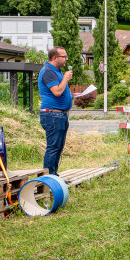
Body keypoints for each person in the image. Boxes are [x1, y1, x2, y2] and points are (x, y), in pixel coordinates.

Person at [38, 46, 73, 175]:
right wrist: (65, 79)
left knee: (58, 148)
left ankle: (54, 174)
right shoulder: (48, 71)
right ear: (55, 58)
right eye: (64, 57)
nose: (66, 59)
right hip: (52, 115)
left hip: (60, 115)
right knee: (53, 147)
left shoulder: (57, 71)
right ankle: (48, 177)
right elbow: (57, 91)